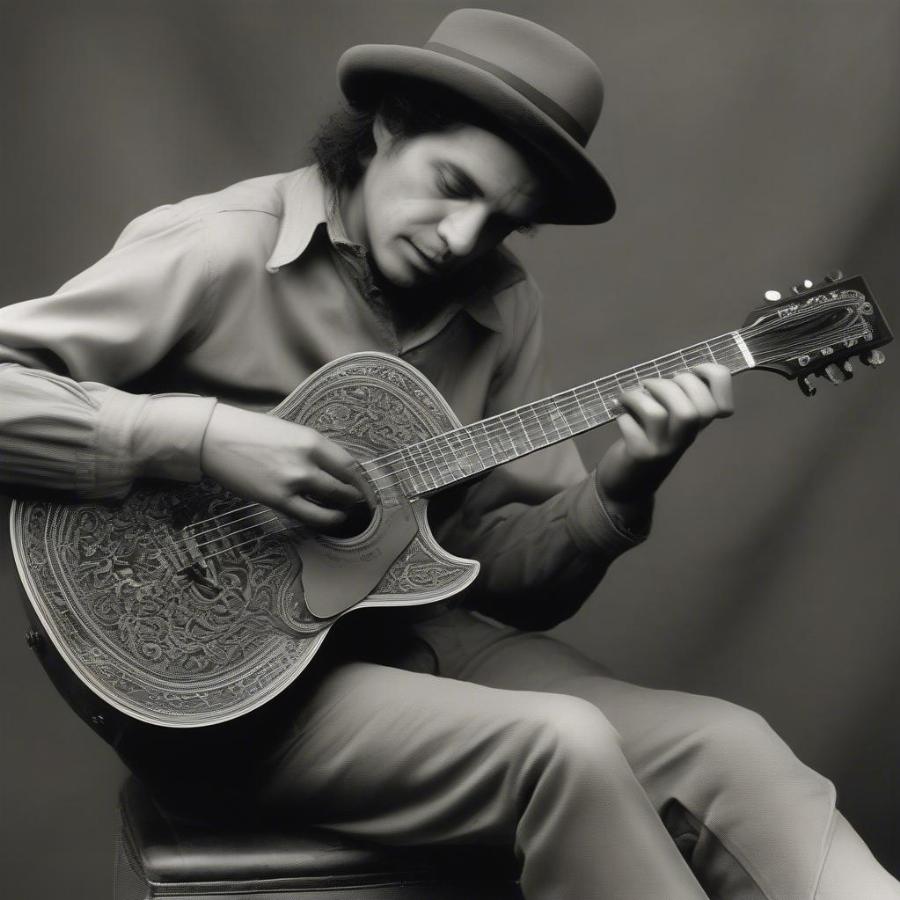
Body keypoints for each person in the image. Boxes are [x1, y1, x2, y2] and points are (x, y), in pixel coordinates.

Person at [1, 9, 897, 899]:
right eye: (452, 185)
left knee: (727, 744)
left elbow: (504, 577)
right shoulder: (220, 245)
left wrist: (625, 484)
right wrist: (205, 436)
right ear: (390, 125)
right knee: (561, 744)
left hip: (407, 641)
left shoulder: (501, 307)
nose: (462, 239)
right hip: (226, 694)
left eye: (503, 222)